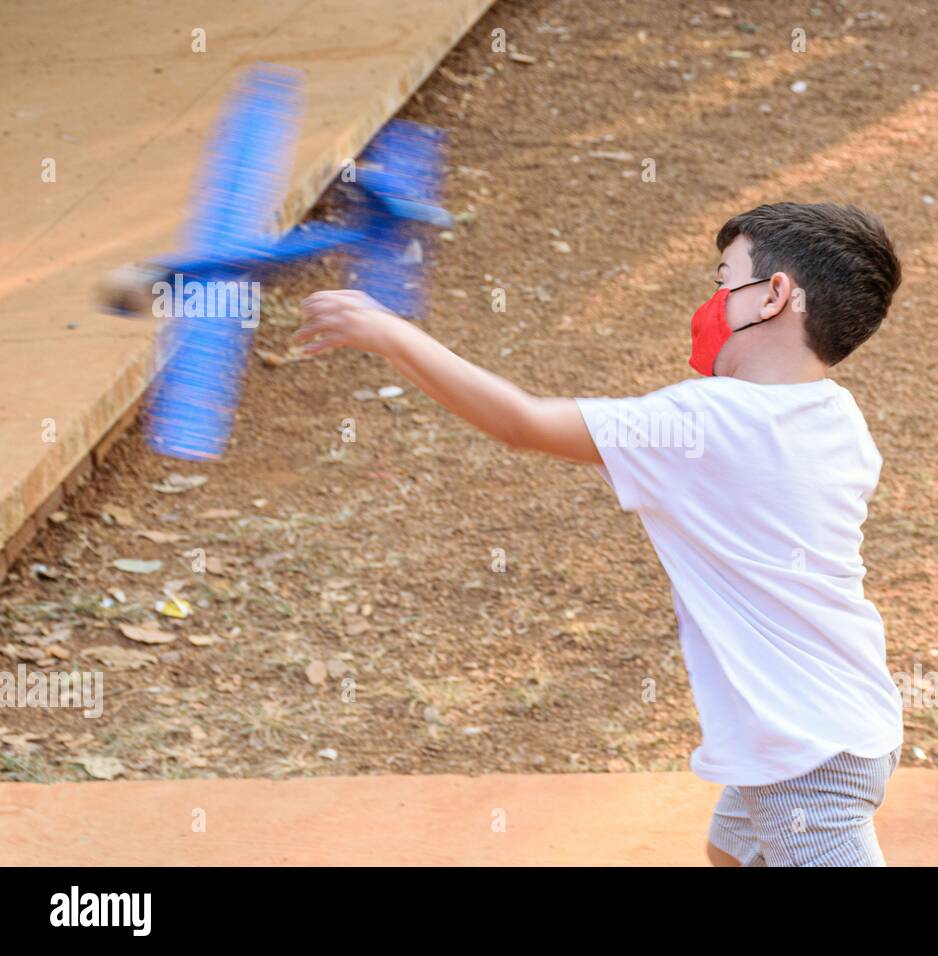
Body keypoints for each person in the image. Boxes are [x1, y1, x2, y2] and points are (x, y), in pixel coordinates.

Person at [295, 201, 905, 866]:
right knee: (732, 851)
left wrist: (388, 334)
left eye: (723, 279)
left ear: (775, 296)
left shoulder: (709, 422)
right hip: (817, 722)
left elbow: (521, 424)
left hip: (806, 752)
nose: (709, 303)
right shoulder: (834, 415)